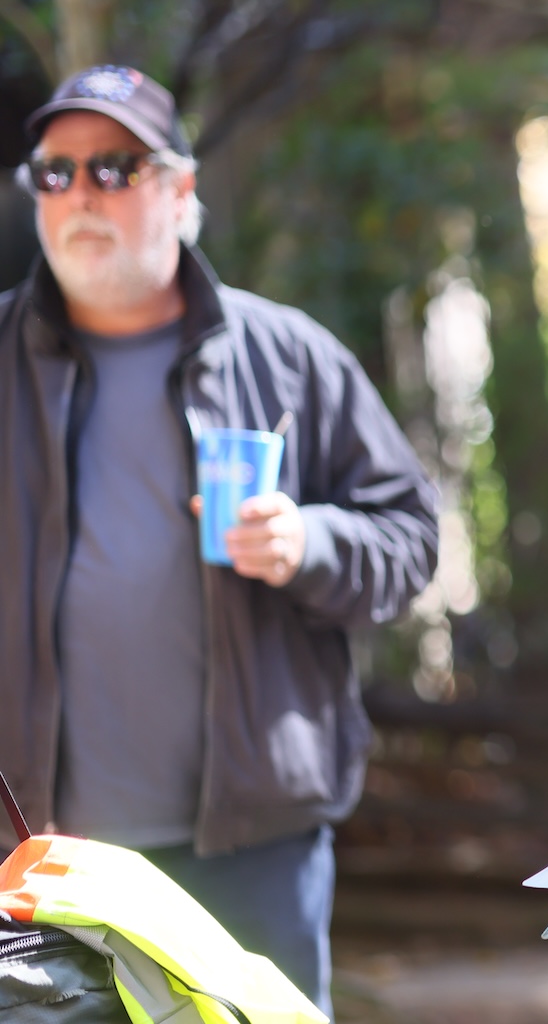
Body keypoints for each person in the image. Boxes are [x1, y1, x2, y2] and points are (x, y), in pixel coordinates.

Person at [0, 65, 439, 1015]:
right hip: (36, 854)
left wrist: (309, 542)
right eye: (56, 172)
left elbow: (410, 537)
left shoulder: (290, 356)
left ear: (181, 190)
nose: (81, 194)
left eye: (115, 168)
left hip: (251, 849)